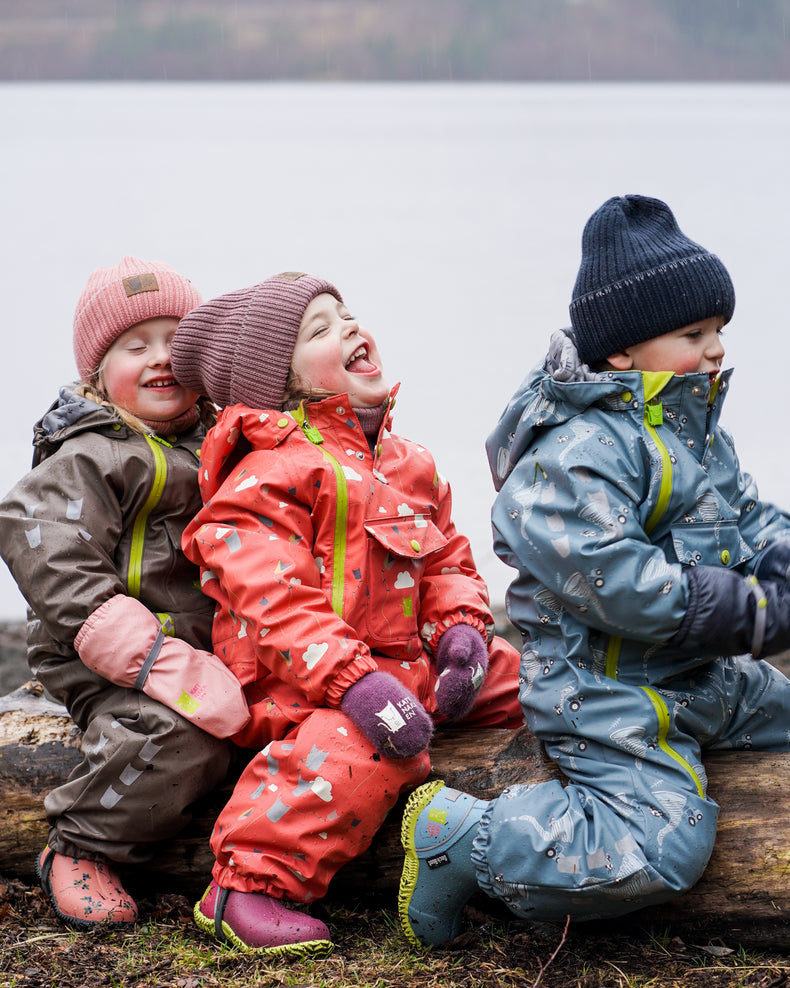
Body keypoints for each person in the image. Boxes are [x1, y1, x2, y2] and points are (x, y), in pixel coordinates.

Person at [398, 194, 790, 946]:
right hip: (608, 692)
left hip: (696, 675)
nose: (715, 351)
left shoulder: (692, 425)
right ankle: (464, 835)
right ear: (622, 352)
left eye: (719, 333)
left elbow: (741, 515)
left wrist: (777, 558)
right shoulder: (575, 450)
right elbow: (614, 580)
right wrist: (743, 610)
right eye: (694, 333)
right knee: (661, 846)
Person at [170, 271, 524, 957]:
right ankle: (247, 886)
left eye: (348, 315)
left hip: (410, 670)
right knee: (355, 752)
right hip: (310, 687)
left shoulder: (408, 462)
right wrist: (354, 685)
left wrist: (461, 639)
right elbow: (274, 604)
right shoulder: (267, 474)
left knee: (533, 683)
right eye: (320, 329)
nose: (350, 330)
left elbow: (448, 562)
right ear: (283, 381)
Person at [0, 257, 250, 930]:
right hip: (106, 653)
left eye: (178, 341)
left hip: (211, 647)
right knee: (177, 736)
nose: (161, 358)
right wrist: (148, 656)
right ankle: (79, 846)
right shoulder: (96, 450)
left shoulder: (225, 438)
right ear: (96, 372)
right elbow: (39, 534)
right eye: (135, 346)